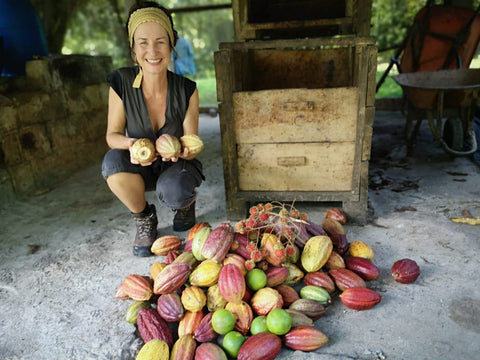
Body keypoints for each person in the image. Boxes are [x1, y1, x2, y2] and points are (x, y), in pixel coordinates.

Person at [101, 1, 204, 257]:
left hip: (175, 166)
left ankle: (185, 205)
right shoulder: (121, 82)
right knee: (112, 163)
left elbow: (192, 143)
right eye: (143, 42)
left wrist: (181, 150)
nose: (152, 50)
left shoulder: (187, 89)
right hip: (141, 164)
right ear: (133, 48)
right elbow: (112, 136)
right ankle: (145, 217)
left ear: (171, 45)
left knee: (176, 190)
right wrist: (131, 145)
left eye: (160, 41)